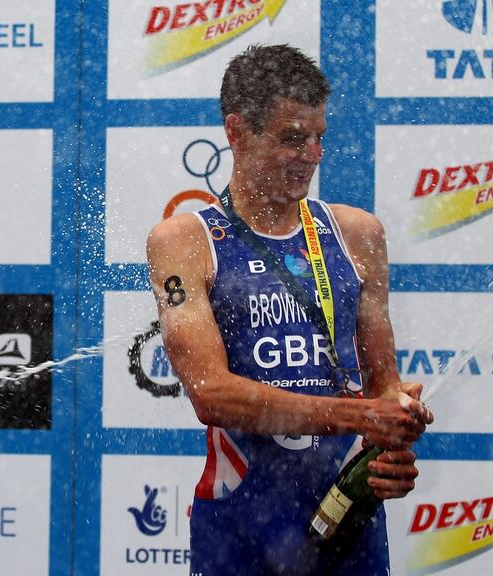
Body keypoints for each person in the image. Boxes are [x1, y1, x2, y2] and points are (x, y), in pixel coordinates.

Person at [145, 45, 434, 575]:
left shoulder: (357, 234)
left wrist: (393, 446)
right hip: (240, 523)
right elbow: (212, 395)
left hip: (348, 514)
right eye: (293, 138)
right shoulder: (183, 241)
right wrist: (361, 415)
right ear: (236, 132)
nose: (312, 154)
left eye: (320, 136)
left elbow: (382, 388)